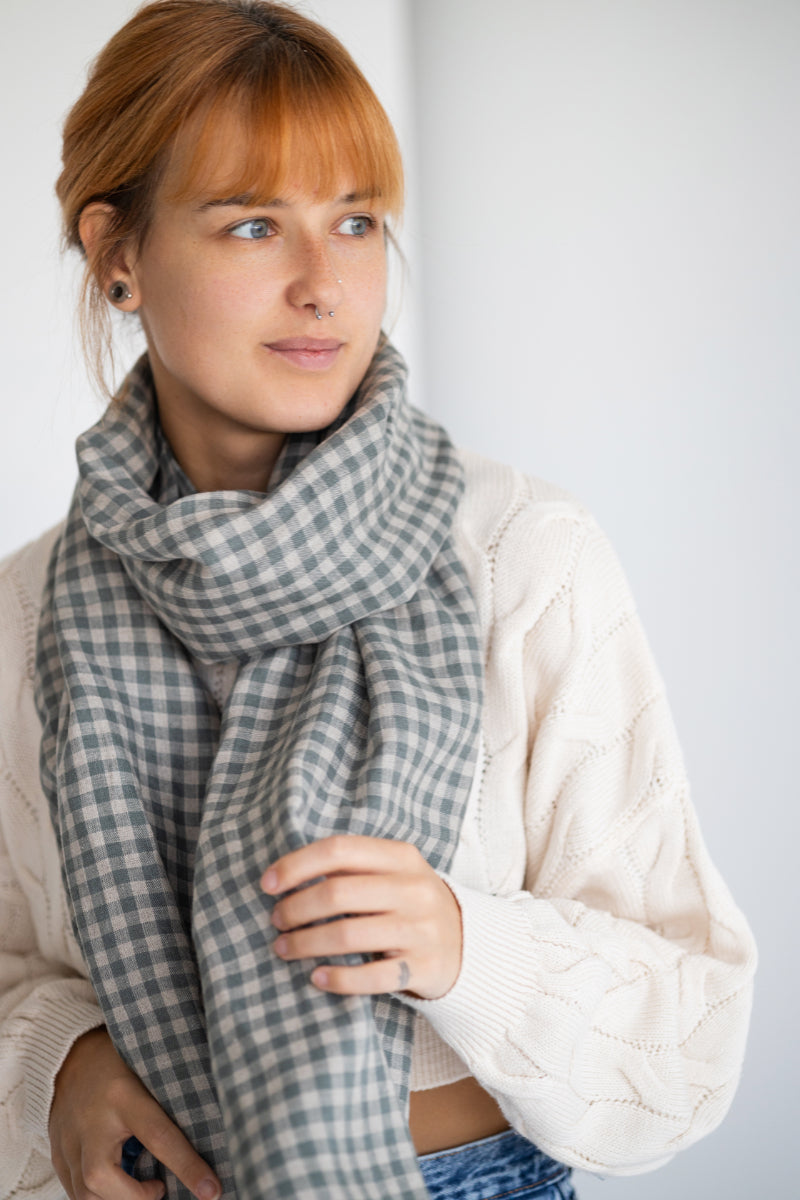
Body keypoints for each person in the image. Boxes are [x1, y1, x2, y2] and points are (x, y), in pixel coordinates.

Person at [0, 2, 757, 1198]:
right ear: (116, 257)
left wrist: (463, 944)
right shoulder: (28, 610)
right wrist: (58, 1061)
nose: (324, 285)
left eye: (354, 221)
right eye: (254, 224)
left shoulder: (516, 556)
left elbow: (691, 1040)